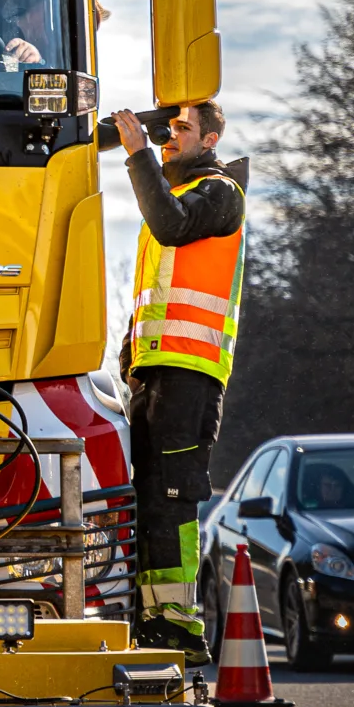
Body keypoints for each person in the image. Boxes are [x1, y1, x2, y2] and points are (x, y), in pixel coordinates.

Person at [114, 99, 246, 662]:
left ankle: (178, 622)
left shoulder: (220, 193)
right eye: (167, 128)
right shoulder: (181, 196)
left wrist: (138, 155)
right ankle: (153, 618)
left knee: (173, 498)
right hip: (157, 372)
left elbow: (170, 226)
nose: (170, 136)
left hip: (191, 373)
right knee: (149, 498)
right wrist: (129, 357)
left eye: (182, 128)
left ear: (210, 140)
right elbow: (154, 296)